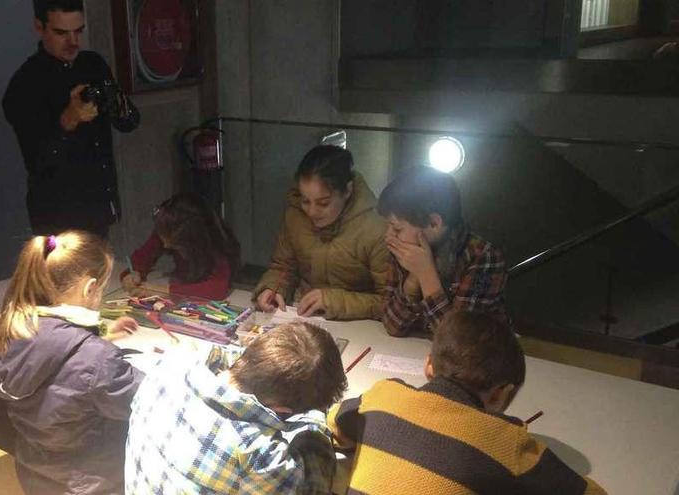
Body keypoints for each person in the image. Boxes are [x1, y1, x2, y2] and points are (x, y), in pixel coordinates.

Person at [328, 311, 606, 494]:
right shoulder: (507, 445)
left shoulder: (382, 396)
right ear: (500, 393)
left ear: (428, 365)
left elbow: (334, 424)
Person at [0, 230, 143, 494]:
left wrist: (100, 337)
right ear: (90, 289)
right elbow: (145, 404)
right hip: (96, 485)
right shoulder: (97, 359)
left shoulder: (7, 333)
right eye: (100, 290)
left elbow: (52, 351)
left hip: (35, 478)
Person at [124, 321, 346, 494]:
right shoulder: (261, 455)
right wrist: (316, 417)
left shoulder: (171, 365)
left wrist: (261, 360)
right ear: (282, 411)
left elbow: (210, 353)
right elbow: (314, 487)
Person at [3, 0, 140, 238]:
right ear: (39, 27)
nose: (73, 41)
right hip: (56, 220)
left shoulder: (92, 64)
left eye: (79, 31)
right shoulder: (25, 84)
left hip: (98, 209)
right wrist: (68, 121)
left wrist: (114, 102)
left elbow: (129, 122)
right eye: (61, 33)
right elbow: (36, 161)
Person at [253, 145, 390, 320]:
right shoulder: (295, 215)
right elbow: (283, 267)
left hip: (359, 327)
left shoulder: (376, 227)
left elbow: (389, 302)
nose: (312, 211)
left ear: (347, 191)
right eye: (305, 201)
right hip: (302, 316)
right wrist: (272, 289)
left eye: (323, 203)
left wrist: (335, 301)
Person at [378, 166, 508, 337]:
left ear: (434, 223)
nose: (389, 236)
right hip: (414, 353)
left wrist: (426, 274)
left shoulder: (482, 256)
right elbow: (391, 325)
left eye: (397, 228)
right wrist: (412, 281)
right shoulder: (406, 249)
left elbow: (458, 339)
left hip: (479, 356)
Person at [120, 192, 241, 300]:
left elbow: (216, 289)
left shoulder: (214, 242)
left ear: (191, 238)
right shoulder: (167, 229)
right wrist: (133, 273)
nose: (166, 245)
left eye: (175, 243)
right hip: (182, 293)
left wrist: (163, 290)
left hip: (208, 304)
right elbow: (142, 256)